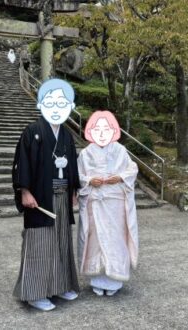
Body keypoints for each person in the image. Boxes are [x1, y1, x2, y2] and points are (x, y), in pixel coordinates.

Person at [12, 79, 80, 311]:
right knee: (40, 242)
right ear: (41, 104)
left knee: (61, 240)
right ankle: (35, 292)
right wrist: (25, 190)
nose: (56, 106)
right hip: (39, 195)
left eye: (62, 102)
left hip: (62, 195)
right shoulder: (32, 132)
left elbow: (72, 166)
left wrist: (73, 190)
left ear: (69, 106)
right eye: (50, 101)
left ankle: (60, 285)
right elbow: (22, 163)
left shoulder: (67, 135)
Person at [77, 110, 139, 296]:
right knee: (94, 241)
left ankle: (114, 281)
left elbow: (132, 169)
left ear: (113, 129)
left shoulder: (120, 150)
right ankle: (97, 280)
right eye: (98, 128)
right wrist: (88, 181)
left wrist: (120, 177)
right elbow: (77, 175)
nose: (102, 132)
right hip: (94, 203)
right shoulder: (86, 153)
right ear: (91, 130)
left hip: (115, 204)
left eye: (106, 128)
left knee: (115, 239)